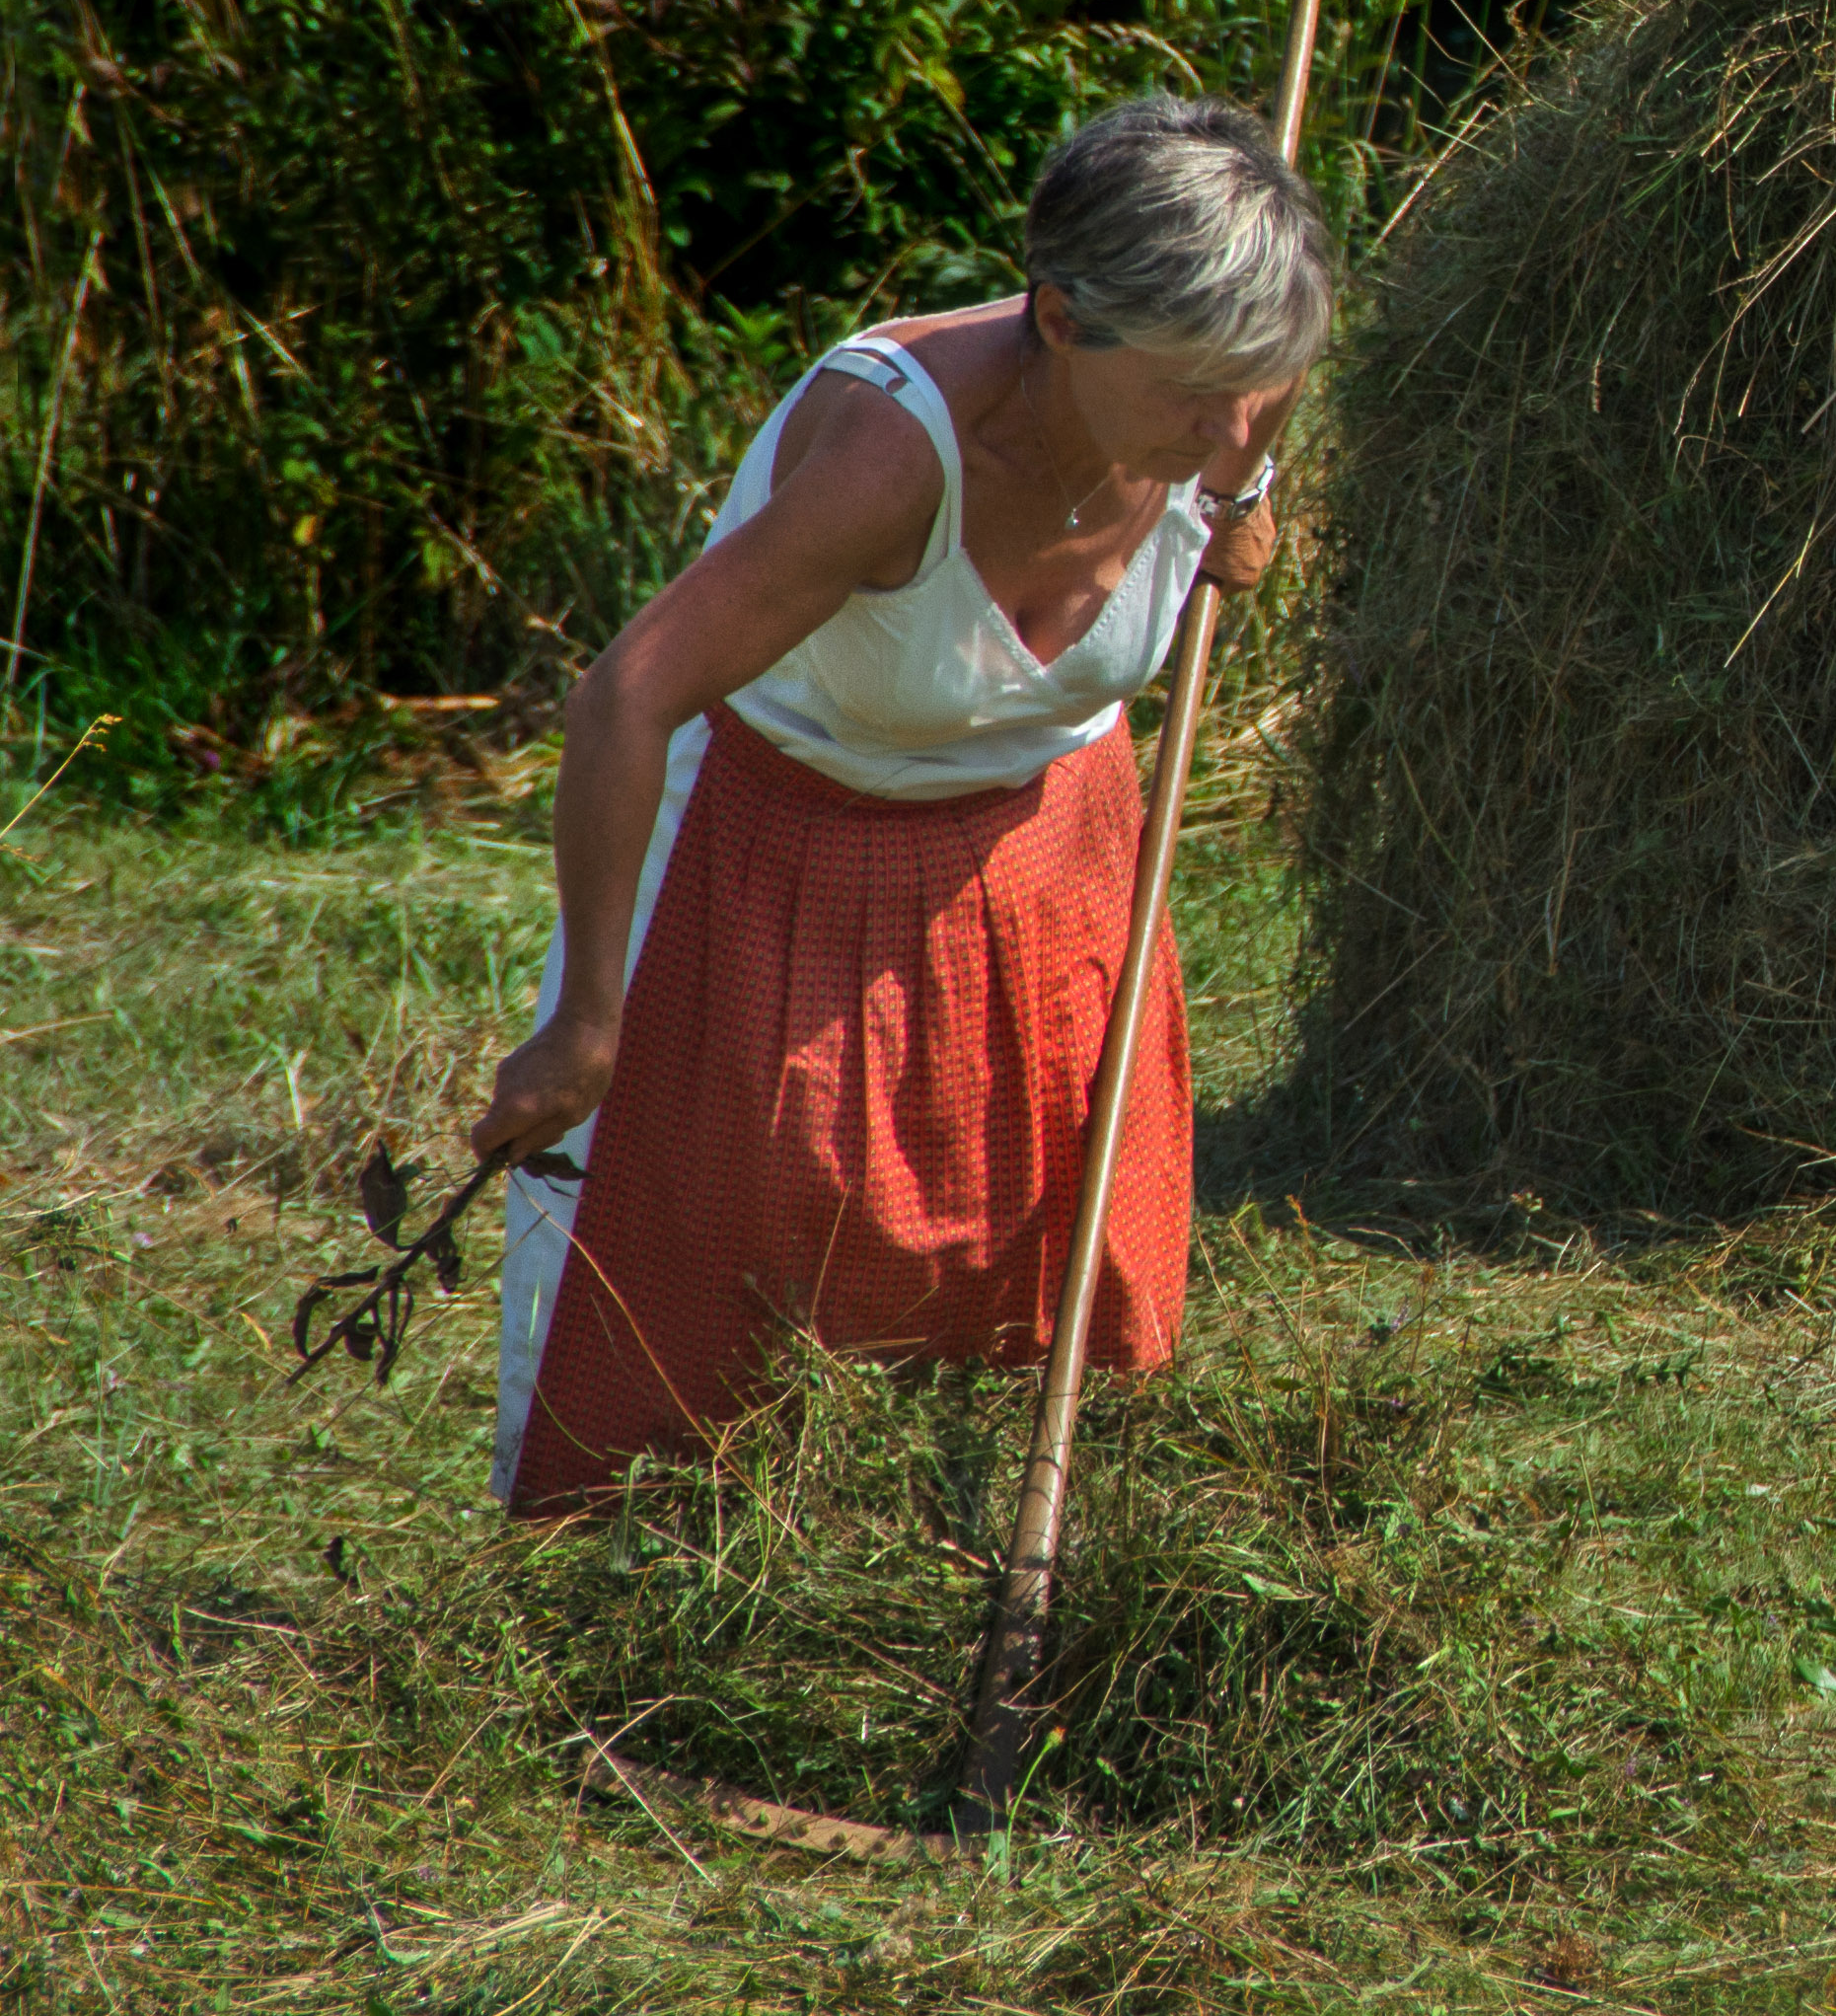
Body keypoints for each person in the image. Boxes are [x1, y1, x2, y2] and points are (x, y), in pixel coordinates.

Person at [473, 97, 1331, 1515]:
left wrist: (1248, 505)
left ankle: (977, 1539)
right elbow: (624, 696)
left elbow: (1249, 434)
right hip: (777, 837)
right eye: (1196, 392)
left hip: (1054, 842)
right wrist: (584, 1023)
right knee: (725, 1265)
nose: (1229, 423)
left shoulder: (1227, 392)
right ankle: (644, 1597)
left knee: (1055, 1244)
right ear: (1061, 321)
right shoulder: (892, 457)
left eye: (1260, 382)